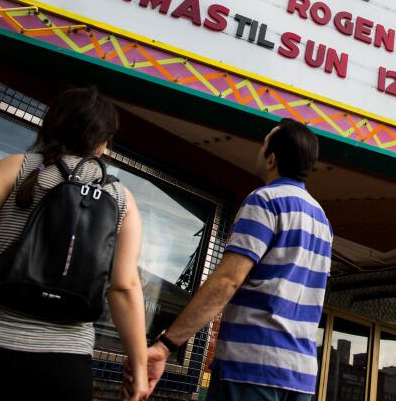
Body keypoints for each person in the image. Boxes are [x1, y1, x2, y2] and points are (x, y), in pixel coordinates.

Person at [0, 87, 149, 401]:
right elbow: (124, 287)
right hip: (61, 360)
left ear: (50, 125)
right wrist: (139, 366)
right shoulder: (121, 199)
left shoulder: (16, 168)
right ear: (104, 140)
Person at [135, 118, 330, 400]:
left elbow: (228, 280)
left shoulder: (265, 201)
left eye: (263, 144)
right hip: (300, 375)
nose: (260, 149)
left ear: (272, 159)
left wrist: (167, 344)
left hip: (250, 368)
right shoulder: (322, 220)